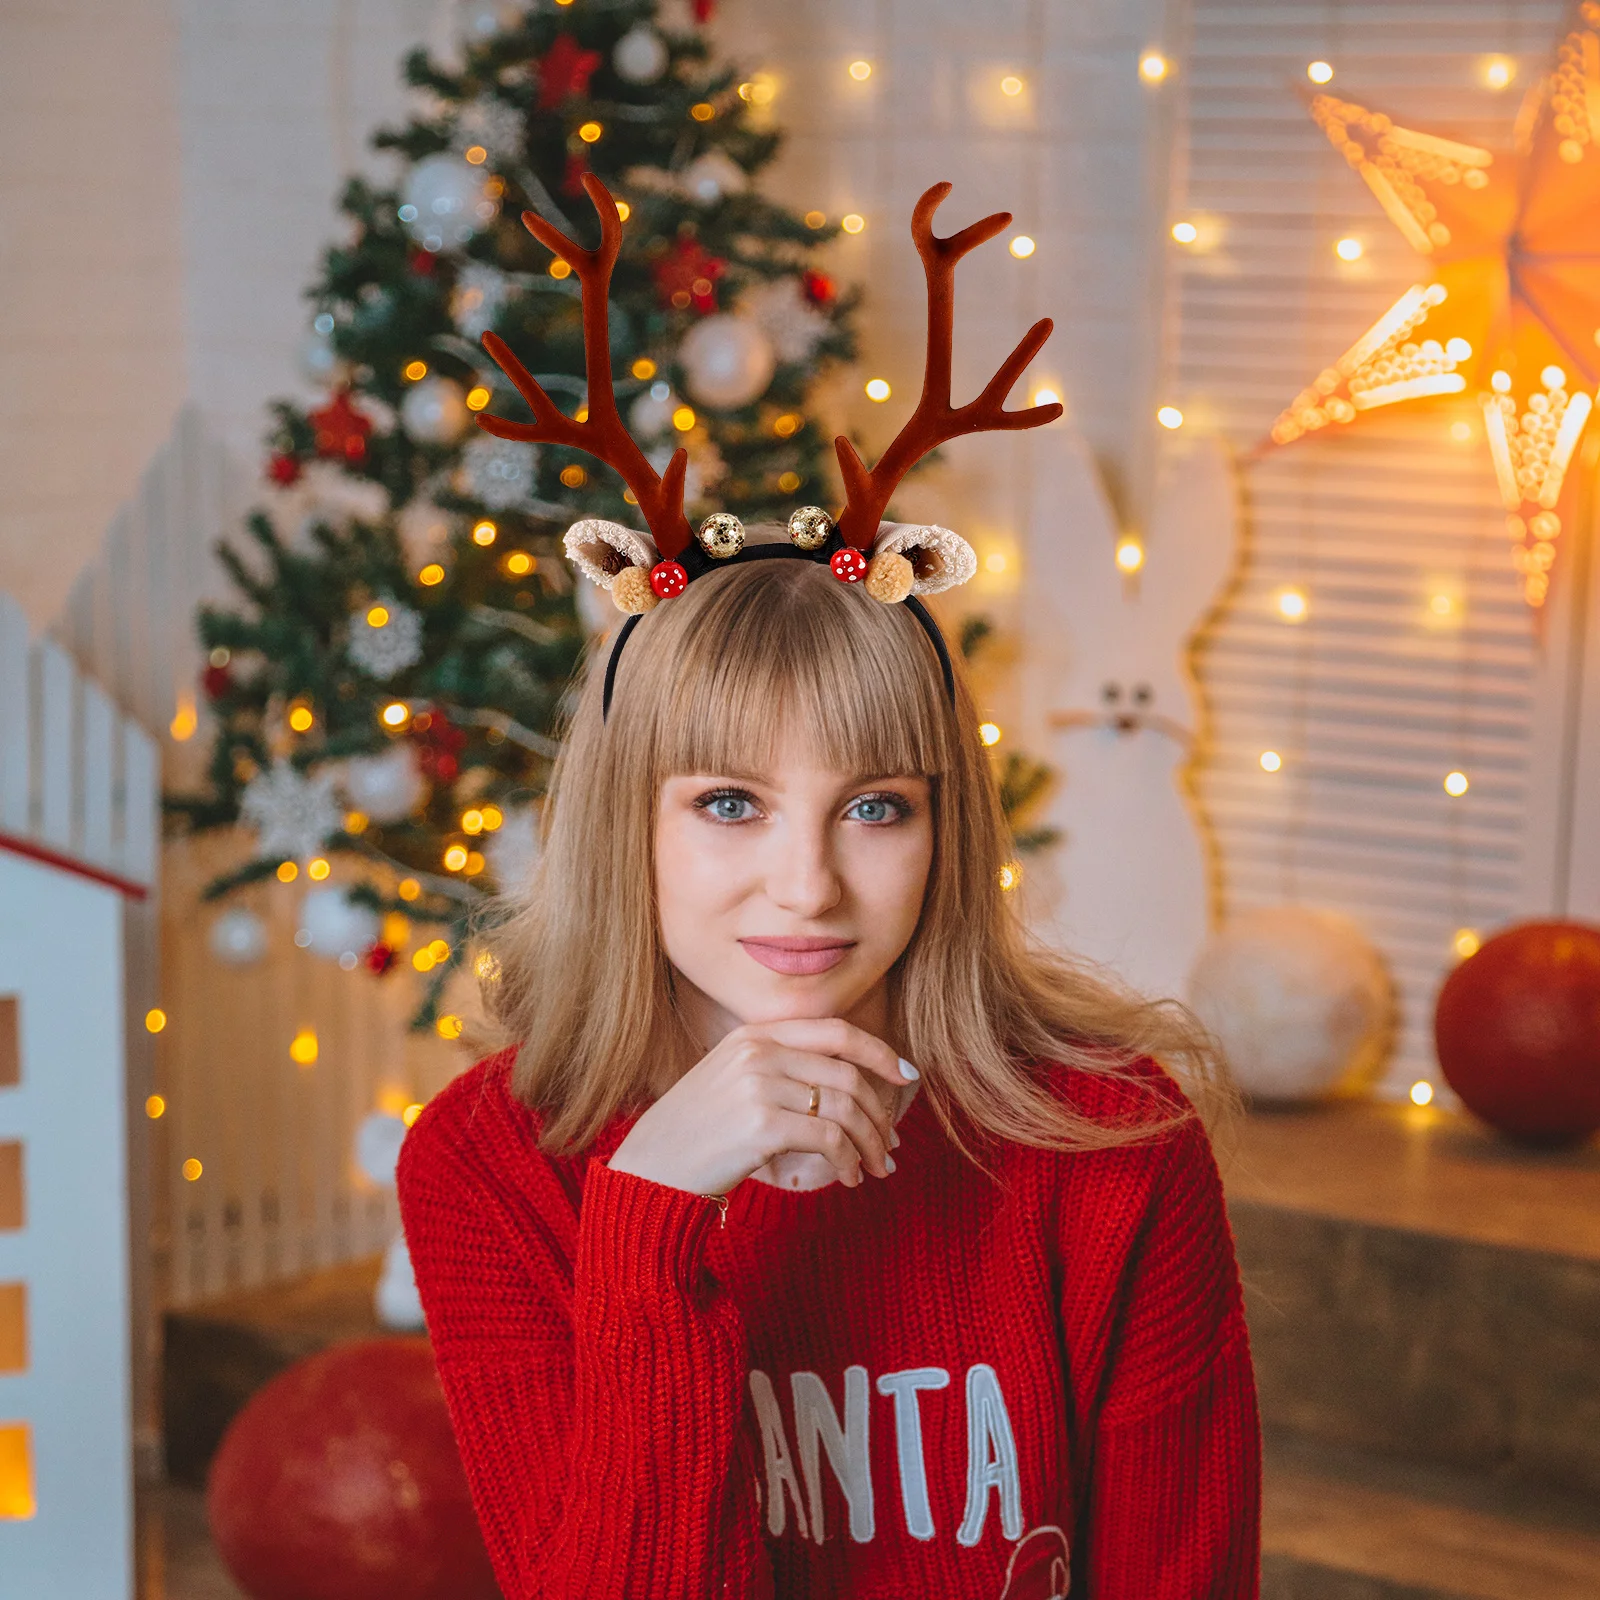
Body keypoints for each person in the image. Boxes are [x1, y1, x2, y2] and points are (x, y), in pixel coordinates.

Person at [396, 175, 1261, 1600]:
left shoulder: (1109, 1140)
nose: (806, 885)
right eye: (728, 804)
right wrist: (656, 1210)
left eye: (874, 807)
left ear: (947, 827)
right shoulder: (492, 1165)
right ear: (632, 825)